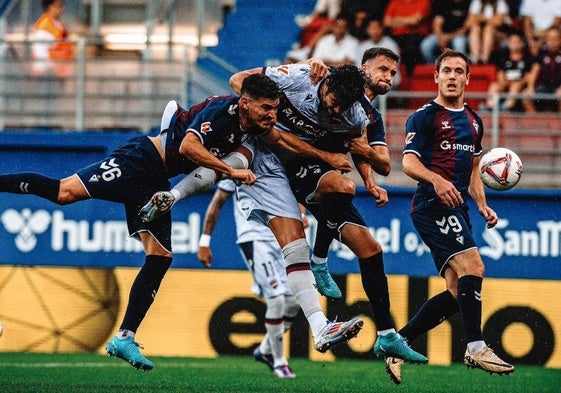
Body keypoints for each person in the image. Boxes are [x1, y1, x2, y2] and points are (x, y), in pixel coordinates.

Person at [0, 74, 353, 370]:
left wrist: (326, 156)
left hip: (156, 183)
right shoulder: (222, 112)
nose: (272, 115)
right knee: (64, 192)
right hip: (139, 161)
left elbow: (281, 139)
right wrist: (230, 170)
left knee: (160, 257)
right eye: (266, 108)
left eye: (275, 109)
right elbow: (186, 148)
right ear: (245, 102)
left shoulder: (252, 130)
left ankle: (124, 338)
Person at [229, 60, 427, 364]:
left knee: (370, 249)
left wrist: (371, 182)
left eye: (343, 106)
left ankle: (387, 335)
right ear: (327, 85)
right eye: (333, 102)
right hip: (279, 163)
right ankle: (319, 261)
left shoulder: (356, 115)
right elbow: (239, 80)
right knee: (342, 189)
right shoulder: (300, 78)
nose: (336, 110)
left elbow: (364, 152)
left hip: (312, 170)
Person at [384, 49, 515, 385]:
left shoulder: (474, 121)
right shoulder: (425, 116)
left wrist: (483, 205)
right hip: (431, 204)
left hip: (458, 208)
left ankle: (397, 345)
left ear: (469, 79)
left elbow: (474, 170)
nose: (453, 76)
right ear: (437, 77)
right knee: (475, 267)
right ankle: (475, 346)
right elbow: (409, 164)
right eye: (447, 70)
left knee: (458, 292)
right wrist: (437, 180)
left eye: (460, 71)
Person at [198, 179, 301, 378]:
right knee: (277, 298)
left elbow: (296, 195)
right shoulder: (240, 164)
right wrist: (204, 242)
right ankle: (280, 362)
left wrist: (301, 214)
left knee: (293, 301)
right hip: (253, 238)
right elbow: (218, 201)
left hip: (281, 237)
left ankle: (264, 351)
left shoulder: (277, 162)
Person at [483, 30, 532, 111]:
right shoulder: (504, 57)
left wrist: (520, 82)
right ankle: (490, 106)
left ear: (522, 44)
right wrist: (504, 83)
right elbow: (501, 74)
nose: (515, 44)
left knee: (515, 85)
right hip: (506, 82)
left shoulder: (527, 58)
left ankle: (506, 106)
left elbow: (528, 76)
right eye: (513, 42)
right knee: (494, 85)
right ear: (508, 44)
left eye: (517, 42)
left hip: (520, 84)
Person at [383, 0, 432, 75]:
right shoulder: (395, 2)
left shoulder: (423, 1)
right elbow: (386, 22)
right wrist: (407, 20)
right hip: (397, 35)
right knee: (385, 44)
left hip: (416, 34)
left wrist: (397, 20)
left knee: (410, 47)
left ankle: (409, 76)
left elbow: (415, 21)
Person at [521, 26, 561, 112]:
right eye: (550, 39)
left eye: (556, 39)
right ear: (546, 41)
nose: (553, 42)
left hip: (558, 87)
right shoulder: (542, 54)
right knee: (526, 95)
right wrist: (530, 86)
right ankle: (535, 123)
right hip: (544, 86)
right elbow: (535, 70)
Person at [31, 0, 74, 78]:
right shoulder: (44, 28)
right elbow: (41, 54)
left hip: (59, 74)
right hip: (48, 75)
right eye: (59, 6)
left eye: (62, 6)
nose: (62, 9)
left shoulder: (59, 25)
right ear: (49, 7)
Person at [355, 18, 401, 89]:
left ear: (381, 29)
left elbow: (393, 66)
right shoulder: (363, 46)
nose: (375, 31)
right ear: (368, 30)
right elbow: (360, 66)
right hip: (369, 82)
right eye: (372, 28)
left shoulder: (390, 44)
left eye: (377, 28)